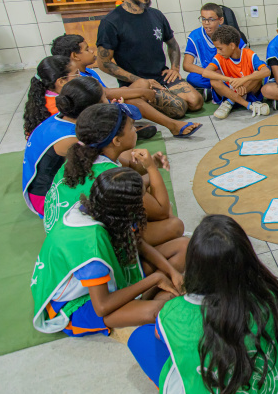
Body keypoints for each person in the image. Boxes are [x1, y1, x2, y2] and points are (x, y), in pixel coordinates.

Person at [128, 215, 278, 394]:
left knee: (140, 336)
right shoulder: (267, 296)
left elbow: (159, 334)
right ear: (246, 259)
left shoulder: (173, 311)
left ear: (193, 265)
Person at [32, 167, 184, 337]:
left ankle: (146, 295)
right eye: (141, 200)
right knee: (160, 310)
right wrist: (155, 279)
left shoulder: (96, 207)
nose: (144, 203)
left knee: (184, 246)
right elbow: (102, 306)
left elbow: (136, 242)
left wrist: (171, 272)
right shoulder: (91, 246)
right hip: (79, 305)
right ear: (125, 208)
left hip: (105, 281)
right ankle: (147, 297)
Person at [45, 103, 185, 249]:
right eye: (132, 127)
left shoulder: (83, 154)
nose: (136, 129)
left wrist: (152, 164)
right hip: (86, 245)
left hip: (62, 235)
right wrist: (151, 169)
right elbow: (161, 211)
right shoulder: (112, 175)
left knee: (144, 188)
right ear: (116, 140)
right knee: (174, 225)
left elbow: (131, 168)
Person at [96, 0, 204, 121]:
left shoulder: (156, 15)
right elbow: (104, 63)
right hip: (138, 82)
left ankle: (163, 93)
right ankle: (136, 99)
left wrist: (174, 68)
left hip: (162, 75)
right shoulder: (111, 22)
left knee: (196, 102)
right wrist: (138, 81)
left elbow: (172, 44)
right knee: (179, 108)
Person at [51, 33, 201, 138]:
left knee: (141, 83)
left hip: (107, 104)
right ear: (75, 56)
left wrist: (140, 88)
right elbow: (107, 93)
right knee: (131, 98)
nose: (92, 51)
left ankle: (131, 128)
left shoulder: (88, 71)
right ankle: (173, 125)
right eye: (87, 49)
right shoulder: (75, 78)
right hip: (97, 116)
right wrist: (143, 92)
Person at [22, 77, 104, 216]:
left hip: (37, 190)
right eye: (105, 99)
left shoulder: (60, 117)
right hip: (46, 200)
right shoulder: (71, 139)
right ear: (92, 109)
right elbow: (108, 160)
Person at [198, 25, 271, 119]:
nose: (218, 52)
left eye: (220, 48)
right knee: (214, 80)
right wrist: (231, 79)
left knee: (257, 74)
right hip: (229, 90)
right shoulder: (219, 57)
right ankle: (249, 105)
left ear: (232, 45)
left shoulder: (249, 54)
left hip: (247, 90)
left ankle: (229, 102)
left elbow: (266, 71)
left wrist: (243, 80)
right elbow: (205, 73)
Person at [183, 3, 247, 103]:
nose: (206, 23)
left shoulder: (229, 33)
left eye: (211, 19)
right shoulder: (195, 36)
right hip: (210, 74)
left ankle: (215, 91)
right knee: (192, 78)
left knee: (252, 74)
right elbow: (187, 65)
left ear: (220, 20)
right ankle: (223, 90)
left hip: (230, 73)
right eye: (203, 19)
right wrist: (211, 73)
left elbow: (246, 55)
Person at [23, 55, 78, 138]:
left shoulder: (41, 98)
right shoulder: (62, 106)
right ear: (61, 81)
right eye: (76, 74)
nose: (80, 77)